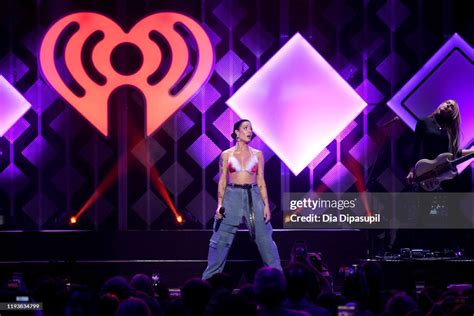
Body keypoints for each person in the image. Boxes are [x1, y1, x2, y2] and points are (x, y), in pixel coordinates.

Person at [202, 119, 282, 280]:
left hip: (253, 195)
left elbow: (260, 180)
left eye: (251, 128)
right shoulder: (226, 155)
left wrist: (266, 205)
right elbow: (223, 181)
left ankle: (279, 281)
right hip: (232, 196)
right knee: (220, 240)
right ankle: (208, 283)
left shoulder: (258, 155)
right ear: (237, 133)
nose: (249, 131)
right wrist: (219, 205)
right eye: (245, 128)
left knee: (265, 239)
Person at [403, 99, 474, 249]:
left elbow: (454, 153)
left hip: (443, 176)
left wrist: (472, 152)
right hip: (426, 172)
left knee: (442, 215)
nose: (447, 105)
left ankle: (442, 249)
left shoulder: (449, 129)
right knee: (422, 212)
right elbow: (416, 147)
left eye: (451, 107)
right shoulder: (424, 123)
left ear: (452, 114)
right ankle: (417, 248)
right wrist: (412, 170)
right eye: (447, 103)